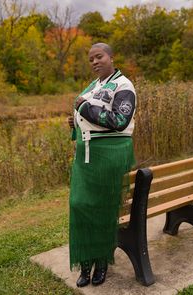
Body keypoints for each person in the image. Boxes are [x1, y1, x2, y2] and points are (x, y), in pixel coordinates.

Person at [68, 43, 137, 288]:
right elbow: (88, 115)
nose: (95, 62)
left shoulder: (123, 85)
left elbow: (119, 120)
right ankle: (86, 260)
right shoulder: (94, 86)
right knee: (80, 206)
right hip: (86, 156)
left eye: (99, 57)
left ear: (111, 57)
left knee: (103, 210)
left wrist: (84, 107)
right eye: (91, 59)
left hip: (110, 156)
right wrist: (75, 121)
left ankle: (102, 261)